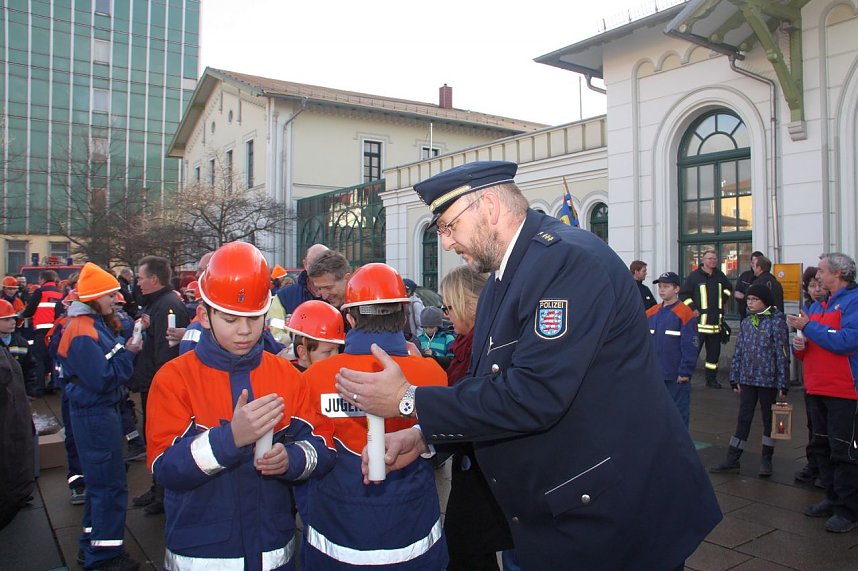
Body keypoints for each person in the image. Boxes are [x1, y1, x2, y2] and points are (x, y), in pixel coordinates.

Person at [335, 160, 721, 569]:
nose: (446, 243)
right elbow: (488, 383)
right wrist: (425, 436)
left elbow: (536, 393)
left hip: (612, 519)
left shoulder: (567, 262)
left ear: (489, 207)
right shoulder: (509, 273)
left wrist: (411, 399)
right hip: (560, 512)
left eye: (449, 226)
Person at [145, 241, 336, 570]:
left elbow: (323, 447)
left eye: (254, 318)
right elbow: (165, 468)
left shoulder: (286, 375)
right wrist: (230, 438)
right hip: (202, 554)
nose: (245, 331)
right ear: (204, 315)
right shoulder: (174, 378)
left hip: (272, 550)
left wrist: (290, 459)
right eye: (231, 319)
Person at [298, 262, 449, 570]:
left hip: (335, 536)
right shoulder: (431, 373)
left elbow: (309, 458)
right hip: (413, 536)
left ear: (350, 318)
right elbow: (441, 448)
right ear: (404, 315)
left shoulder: (315, 377)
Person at [56, 263, 143, 570]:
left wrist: (124, 354)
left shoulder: (87, 326)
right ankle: (104, 557)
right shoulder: (84, 330)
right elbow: (105, 377)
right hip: (96, 414)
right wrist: (130, 353)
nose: (115, 299)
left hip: (96, 412)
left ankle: (92, 547)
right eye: (110, 294)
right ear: (95, 297)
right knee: (109, 487)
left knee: (101, 486)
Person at [435, 265, 513, 571]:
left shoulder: (481, 346)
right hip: (477, 469)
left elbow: (467, 400)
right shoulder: (471, 343)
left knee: (466, 547)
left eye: (449, 307)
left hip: (484, 470)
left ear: (470, 305)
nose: (445, 314)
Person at [789, 253, 858, 533]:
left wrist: (808, 327)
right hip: (816, 386)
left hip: (844, 390)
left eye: (822, 271)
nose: (818, 276)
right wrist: (800, 344)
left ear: (838, 274)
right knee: (822, 447)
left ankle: (848, 509)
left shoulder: (852, 302)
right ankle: (831, 497)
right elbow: (810, 347)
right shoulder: (818, 305)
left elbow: (846, 342)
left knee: (843, 450)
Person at [129, 255, 190, 515]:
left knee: (162, 439)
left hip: (158, 386)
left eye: (141, 278)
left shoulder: (168, 306)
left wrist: (159, 388)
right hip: (151, 382)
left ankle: (163, 494)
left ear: (154, 279)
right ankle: (157, 489)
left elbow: (167, 351)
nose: (138, 283)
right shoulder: (157, 304)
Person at [709, 284, 789, 477]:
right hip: (747, 378)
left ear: (765, 302)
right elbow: (739, 352)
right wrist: (734, 376)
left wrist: (783, 382)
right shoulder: (746, 323)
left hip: (767, 380)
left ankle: (766, 458)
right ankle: (733, 457)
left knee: (769, 419)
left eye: (754, 299)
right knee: (743, 418)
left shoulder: (776, 323)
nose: (750, 303)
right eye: (749, 299)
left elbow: (782, 354)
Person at [646, 272, 698, 428]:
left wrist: (685, 371)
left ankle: (679, 449)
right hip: (655, 375)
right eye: (660, 287)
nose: (662, 290)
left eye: (666, 287)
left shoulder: (685, 313)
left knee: (678, 416)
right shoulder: (651, 313)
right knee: (656, 414)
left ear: (676, 289)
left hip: (675, 376)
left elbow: (691, 345)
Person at [679, 249, 734, 389]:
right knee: (692, 353)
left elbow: (728, 289)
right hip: (698, 325)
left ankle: (711, 379)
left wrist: (722, 300)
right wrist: (692, 309)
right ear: (703, 261)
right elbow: (684, 295)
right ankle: (686, 377)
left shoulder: (720, 276)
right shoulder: (694, 277)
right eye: (709, 258)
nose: (712, 261)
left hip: (716, 325)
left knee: (713, 356)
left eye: (714, 259)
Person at [794, 266, 826, 487]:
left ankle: (826, 470)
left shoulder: (832, 309)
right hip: (812, 378)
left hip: (830, 379)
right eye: (812, 286)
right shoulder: (807, 309)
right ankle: (814, 464)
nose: (816, 289)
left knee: (827, 428)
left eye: (819, 285)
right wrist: (799, 345)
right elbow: (803, 349)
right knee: (813, 425)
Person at [268, 244, 328, 344]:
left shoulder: (338, 297)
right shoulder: (284, 297)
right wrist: (298, 343)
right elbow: (274, 335)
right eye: (314, 263)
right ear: (305, 264)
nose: (319, 268)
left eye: (325, 263)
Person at [18, 269, 63, 397]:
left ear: (42, 279)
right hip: (56, 331)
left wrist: (19, 315)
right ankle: (54, 385)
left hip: (41, 331)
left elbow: (30, 310)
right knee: (53, 359)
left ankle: (38, 388)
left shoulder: (40, 292)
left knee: (39, 360)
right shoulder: (60, 293)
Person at [283, 300, 344, 372]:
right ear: (303, 352)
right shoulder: (290, 380)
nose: (335, 357)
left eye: (337, 349)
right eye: (328, 352)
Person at [735, 251, 764, 321]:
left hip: (761, 316)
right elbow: (737, 294)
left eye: (758, 262)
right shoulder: (745, 276)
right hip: (745, 315)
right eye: (754, 262)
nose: (755, 265)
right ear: (751, 263)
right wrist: (750, 298)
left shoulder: (765, 278)